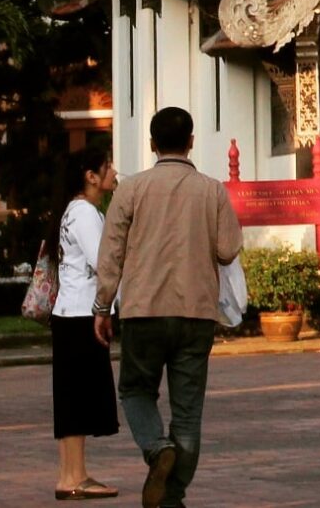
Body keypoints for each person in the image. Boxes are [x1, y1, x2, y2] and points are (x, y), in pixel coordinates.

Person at [93, 107, 240, 508]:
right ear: (191, 141)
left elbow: (111, 255)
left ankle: (157, 449)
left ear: (152, 144)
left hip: (143, 310)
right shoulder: (211, 190)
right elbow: (228, 249)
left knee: (136, 391)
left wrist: (102, 306)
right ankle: (172, 497)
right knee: (188, 411)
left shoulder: (132, 189)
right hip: (196, 313)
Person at [52, 144, 121, 500]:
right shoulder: (85, 212)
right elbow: (104, 263)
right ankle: (73, 476)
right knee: (77, 398)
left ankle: (70, 474)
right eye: (106, 166)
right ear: (90, 177)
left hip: (69, 313)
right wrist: (106, 308)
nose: (113, 171)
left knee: (69, 397)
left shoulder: (74, 210)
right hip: (82, 315)